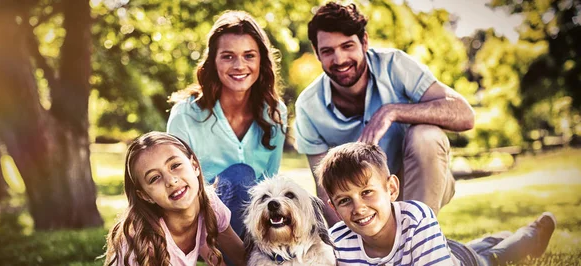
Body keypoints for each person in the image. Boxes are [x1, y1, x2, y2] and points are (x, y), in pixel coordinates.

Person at [294, 2, 475, 225]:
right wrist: (349, 249)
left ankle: (419, 237)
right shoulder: (308, 106)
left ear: (364, 42)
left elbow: (465, 114)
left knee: (426, 134)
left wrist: (392, 111)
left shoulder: (395, 65)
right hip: (360, 203)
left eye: (347, 46)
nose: (339, 60)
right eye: (328, 51)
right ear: (317, 53)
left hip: (416, 184)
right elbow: (324, 190)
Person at [316, 142, 556, 266]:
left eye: (367, 192)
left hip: (456, 261)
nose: (358, 208)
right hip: (435, 252)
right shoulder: (338, 241)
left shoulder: (416, 219)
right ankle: (491, 239)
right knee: (475, 248)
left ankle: (530, 235)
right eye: (345, 201)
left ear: (391, 189)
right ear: (334, 209)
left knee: (491, 258)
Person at [167, 10, 287, 237]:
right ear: (213, 61)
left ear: (261, 60)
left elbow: (270, 180)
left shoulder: (275, 113)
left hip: (253, 223)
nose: (239, 65)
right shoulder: (185, 114)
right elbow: (176, 187)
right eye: (228, 56)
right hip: (198, 224)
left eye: (249, 55)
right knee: (241, 176)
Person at [103, 132, 245, 266]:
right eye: (154, 178)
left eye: (175, 165)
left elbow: (242, 259)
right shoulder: (143, 242)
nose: (170, 180)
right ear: (145, 195)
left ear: (194, 165)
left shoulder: (209, 204)